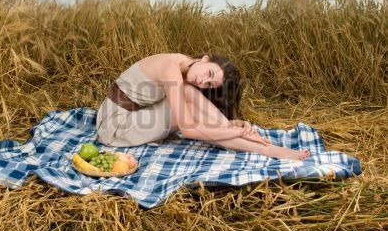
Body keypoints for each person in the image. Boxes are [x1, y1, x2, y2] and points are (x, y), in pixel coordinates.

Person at [96, 53, 310, 160]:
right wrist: (230, 129)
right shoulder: (171, 67)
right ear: (204, 58)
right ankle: (267, 148)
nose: (202, 81)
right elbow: (188, 130)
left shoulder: (183, 66)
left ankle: (249, 140)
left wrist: (229, 125)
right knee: (189, 97)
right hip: (114, 126)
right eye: (208, 73)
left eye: (209, 84)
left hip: (134, 114)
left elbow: (194, 116)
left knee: (189, 95)